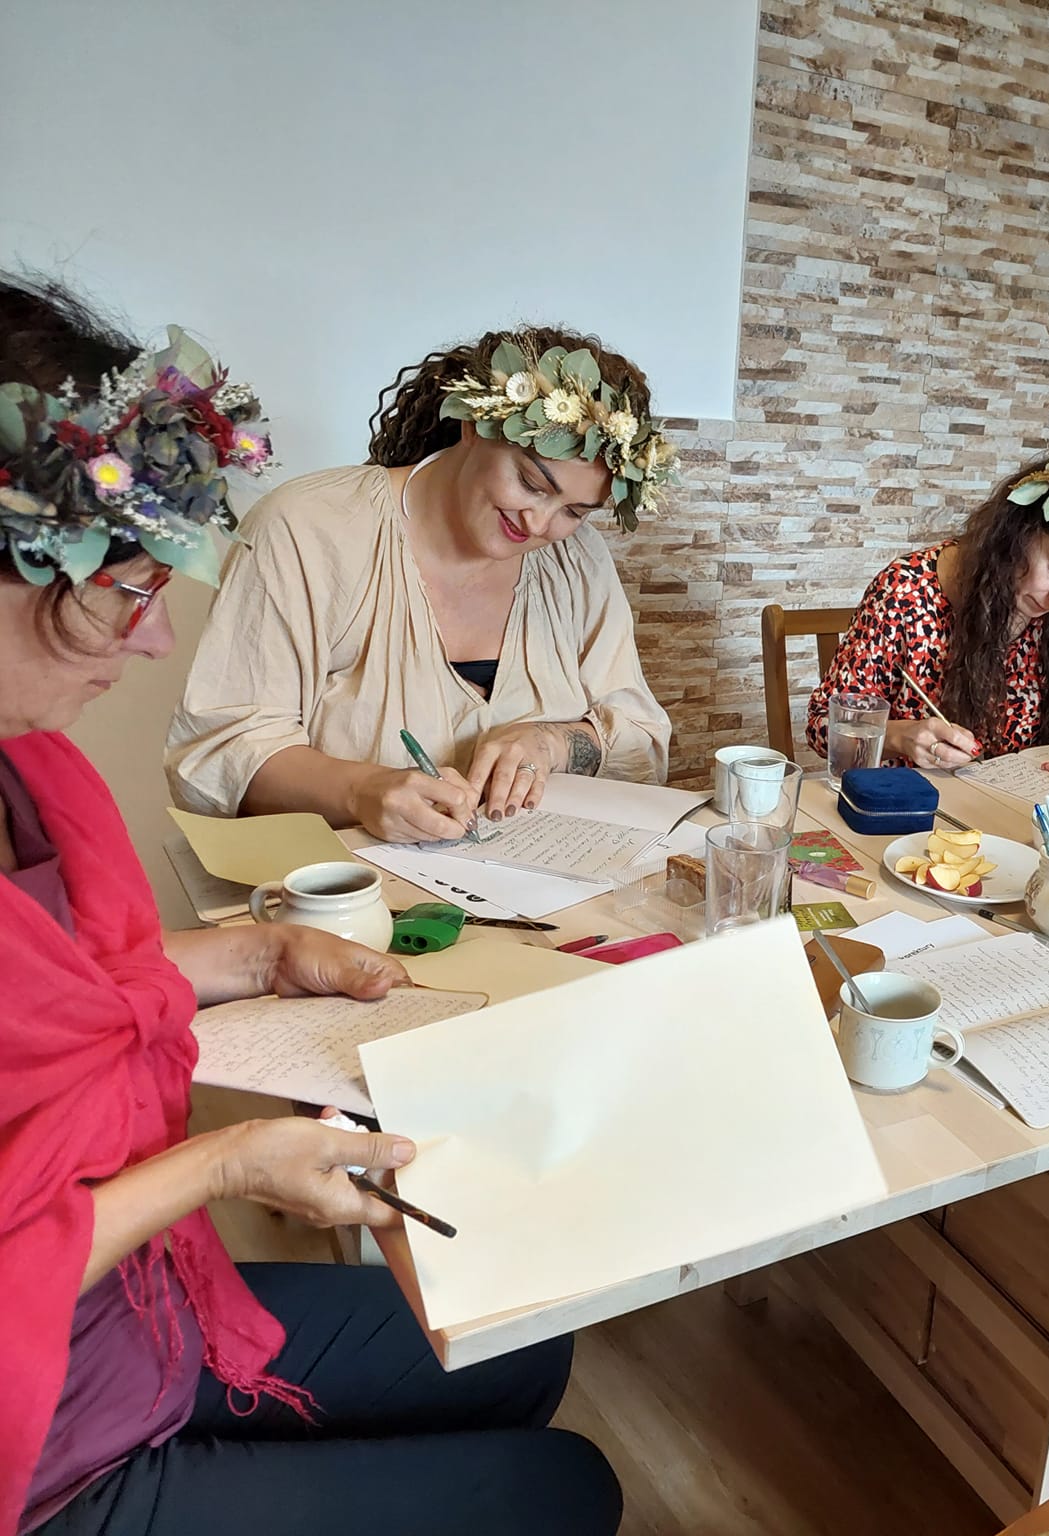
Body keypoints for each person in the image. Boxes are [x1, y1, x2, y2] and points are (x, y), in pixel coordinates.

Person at [0, 277, 621, 1536]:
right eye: (122, 588)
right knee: (569, 1488)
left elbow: (55, 982)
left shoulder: (30, 770)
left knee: (523, 1346)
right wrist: (227, 1161)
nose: (154, 642)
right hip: (42, 1428)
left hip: (115, 1307)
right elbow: (223, 744)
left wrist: (260, 953)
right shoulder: (317, 530)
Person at [165, 326, 679, 844]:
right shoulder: (308, 528)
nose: (539, 523)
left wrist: (552, 743)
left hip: (538, 877)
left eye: (574, 511)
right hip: (346, 884)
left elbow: (641, 740)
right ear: (474, 426)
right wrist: (361, 792)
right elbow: (223, 749)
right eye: (530, 483)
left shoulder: (576, 559)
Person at [805, 440, 1049, 797]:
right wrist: (901, 736)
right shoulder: (906, 591)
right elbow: (824, 726)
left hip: (1011, 806)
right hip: (906, 806)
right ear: (1019, 534)